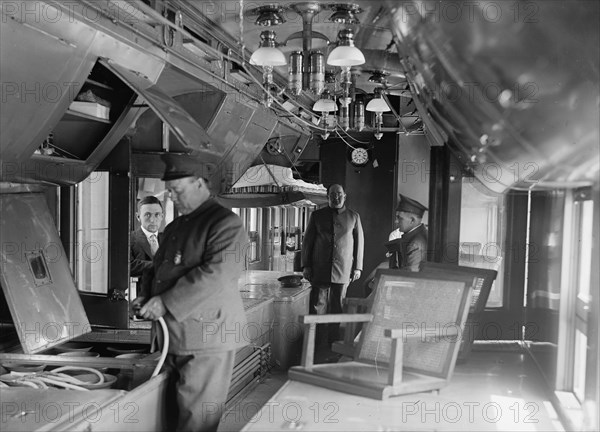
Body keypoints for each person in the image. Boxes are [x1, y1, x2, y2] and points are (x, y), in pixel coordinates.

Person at [132, 154, 249, 432]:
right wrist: (146, 296)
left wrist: (164, 303)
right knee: (172, 418)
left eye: (178, 191)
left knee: (195, 420)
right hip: (175, 338)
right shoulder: (176, 227)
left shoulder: (225, 223)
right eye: (170, 191)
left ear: (199, 184)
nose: (172, 197)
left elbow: (216, 275)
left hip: (207, 339)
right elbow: (158, 269)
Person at [301, 184, 364, 346]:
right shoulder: (317, 216)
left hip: (343, 269)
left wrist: (357, 267)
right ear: (327, 196)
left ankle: (334, 342)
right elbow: (308, 242)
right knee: (317, 306)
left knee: (338, 306)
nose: (336, 197)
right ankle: (316, 342)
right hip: (319, 269)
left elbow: (359, 243)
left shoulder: (354, 217)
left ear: (345, 196)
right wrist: (306, 265)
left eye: (339, 194)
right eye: (333, 194)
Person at [385, 194, 429, 271]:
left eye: (399, 218)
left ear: (412, 220)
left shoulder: (415, 243)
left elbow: (409, 277)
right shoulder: (415, 236)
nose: (396, 221)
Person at [130, 196, 164, 280]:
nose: (152, 220)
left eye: (157, 215)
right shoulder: (129, 238)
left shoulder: (169, 239)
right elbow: (128, 265)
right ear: (138, 217)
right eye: (147, 215)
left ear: (162, 217)